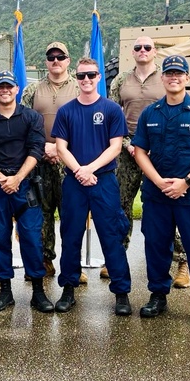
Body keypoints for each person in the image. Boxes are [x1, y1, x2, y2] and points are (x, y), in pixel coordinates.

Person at [131, 55, 190, 328]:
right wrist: (159, 182)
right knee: (156, 246)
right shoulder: (151, 113)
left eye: (178, 73)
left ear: (186, 79)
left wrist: (186, 182)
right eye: (169, 73)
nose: (173, 77)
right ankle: (158, 295)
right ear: (162, 78)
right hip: (156, 193)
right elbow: (139, 151)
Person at [51, 58, 132, 316]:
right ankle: (68, 289)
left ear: (99, 78)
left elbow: (115, 147)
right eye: (82, 76)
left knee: (112, 235)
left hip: (103, 180)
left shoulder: (111, 109)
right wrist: (79, 171)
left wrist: (90, 169)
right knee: (71, 235)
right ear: (76, 79)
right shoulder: (66, 111)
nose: (86, 80)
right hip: (75, 181)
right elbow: (61, 147)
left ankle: (121, 292)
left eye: (91, 75)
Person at [109, 34, 190, 288]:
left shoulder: (165, 76)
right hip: (128, 149)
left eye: (147, 47)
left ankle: (183, 261)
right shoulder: (122, 80)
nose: (142, 50)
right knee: (121, 205)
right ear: (132, 53)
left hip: (160, 152)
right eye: (138, 47)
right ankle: (117, 258)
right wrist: (128, 145)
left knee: (168, 205)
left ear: (155, 51)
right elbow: (114, 116)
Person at [0, 71, 54, 312]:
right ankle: (5, 291)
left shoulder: (31, 117)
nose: (5, 90)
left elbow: (36, 149)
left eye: (9, 86)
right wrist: (1, 178)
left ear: (17, 89)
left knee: (31, 237)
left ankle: (38, 291)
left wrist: (17, 178)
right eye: (0, 87)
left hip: (26, 184)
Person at [20, 42, 80, 280]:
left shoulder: (79, 87)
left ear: (68, 60)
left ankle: (71, 264)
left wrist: (60, 147)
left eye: (60, 57)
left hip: (70, 160)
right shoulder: (32, 90)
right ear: (46, 61)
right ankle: (45, 260)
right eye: (51, 57)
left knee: (70, 213)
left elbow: (84, 124)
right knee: (42, 212)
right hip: (40, 158)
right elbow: (22, 121)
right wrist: (43, 146)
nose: (56, 61)